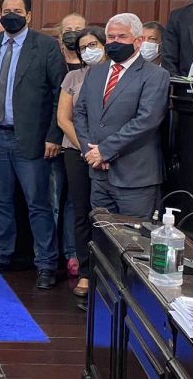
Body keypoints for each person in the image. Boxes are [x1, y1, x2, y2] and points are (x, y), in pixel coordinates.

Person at [0, 0, 65, 290]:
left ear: (29, 16)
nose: (10, 15)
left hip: (33, 139)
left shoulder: (46, 46)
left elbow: (58, 95)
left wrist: (54, 135)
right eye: (5, 11)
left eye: (17, 10)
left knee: (38, 204)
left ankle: (46, 264)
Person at [74, 13, 170, 220]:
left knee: (133, 241)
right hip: (99, 174)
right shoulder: (95, 72)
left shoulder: (155, 75)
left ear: (138, 41)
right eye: (110, 37)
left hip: (135, 178)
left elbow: (147, 121)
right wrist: (91, 152)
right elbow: (80, 113)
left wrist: (105, 151)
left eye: (122, 37)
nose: (114, 42)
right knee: (102, 239)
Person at [57, 26, 107, 299]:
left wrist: (103, 151)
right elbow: (63, 119)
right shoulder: (73, 77)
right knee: (81, 212)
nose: (88, 50)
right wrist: (88, 150)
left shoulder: (116, 75)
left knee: (106, 214)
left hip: (110, 154)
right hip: (77, 153)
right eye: (83, 47)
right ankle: (86, 272)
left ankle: (108, 273)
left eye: (93, 44)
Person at [55, 13, 87, 277]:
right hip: (62, 143)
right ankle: (60, 253)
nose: (73, 33)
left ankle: (76, 253)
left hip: (91, 149)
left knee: (76, 203)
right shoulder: (55, 62)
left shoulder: (96, 67)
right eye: (68, 29)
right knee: (55, 200)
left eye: (79, 29)